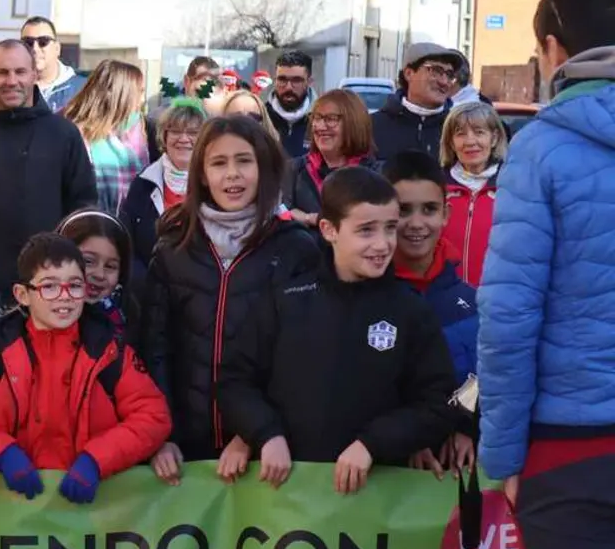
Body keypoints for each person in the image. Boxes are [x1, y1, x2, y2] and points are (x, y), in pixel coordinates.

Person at [478, 0, 615, 549]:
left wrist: (500, 457)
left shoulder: (540, 150)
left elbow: (507, 318)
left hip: (569, 448)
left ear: (554, 51)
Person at [217, 167, 456, 493]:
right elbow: (235, 381)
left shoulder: (409, 310)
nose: (383, 243)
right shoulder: (286, 301)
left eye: (389, 228)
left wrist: (372, 444)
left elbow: (436, 403)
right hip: (286, 495)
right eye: (366, 230)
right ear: (329, 230)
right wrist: (263, 433)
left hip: (377, 497)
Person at [141, 116, 320, 481]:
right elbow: (155, 350)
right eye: (219, 163)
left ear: (264, 167)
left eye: (244, 160)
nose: (232, 174)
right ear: (202, 174)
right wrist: (160, 435)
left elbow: (301, 358)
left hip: (266, 451)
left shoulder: (295, 248)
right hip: (184, 451)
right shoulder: (174, 248)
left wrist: (257, 430)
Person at [0, 233, 170, 503]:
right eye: (49, 287)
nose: (64, 297)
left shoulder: (108, 350)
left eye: (74, 286)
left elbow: (153, 416)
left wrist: (97, 460)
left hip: (89, 510)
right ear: (23, 295)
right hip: (7, 510)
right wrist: (1, 452)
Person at [0, 39, 98, 297]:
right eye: (2, 72)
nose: (11, 81)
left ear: (34, 74)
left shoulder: (63, 134)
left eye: (20, 72)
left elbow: (83, 206)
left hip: (47, 285)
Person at [382, 151, 478, 476]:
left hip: (456, 465)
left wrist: (465, 426)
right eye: (403, 211)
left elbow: (481, 374)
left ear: (446, 214)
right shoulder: (366, 297)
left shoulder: (471, 302)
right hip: (388, 465)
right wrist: (409, 436)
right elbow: (364, 384)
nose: (417, 224)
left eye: (429, 210)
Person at [120, 99, 206, 283]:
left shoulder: (214, 185)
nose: (183, 138)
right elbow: (127, 244)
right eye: (175, 131)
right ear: (164, 137)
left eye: (192, 132)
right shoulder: (143, 183)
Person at [61, 59, 150, 214]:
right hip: (87, 224)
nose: (142, 100)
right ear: (119, 94)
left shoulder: (141, 129)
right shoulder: (73, 133)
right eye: (139, 92)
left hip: (132, 226)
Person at [283, 89, 379, 228]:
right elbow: (279, 214)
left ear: (353, 123)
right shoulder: (293, 170)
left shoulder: (375, 174)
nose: (320, 126)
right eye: (317, 118)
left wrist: (310, 218)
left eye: (331, 119)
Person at [438, 101, 505, 287]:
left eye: (479, 132)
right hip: (444, 299)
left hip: (495, 300)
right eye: (460, 134)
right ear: (451, 142)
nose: (470, 141)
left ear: (494, 138)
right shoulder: (435, 187)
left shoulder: (513, 188)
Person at [371, 43, 463, 161]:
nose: (444, 82)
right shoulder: (372, 127)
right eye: (435, 71)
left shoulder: (458, 128)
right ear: (409, 73)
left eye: (450, 75)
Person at [57, 210, 137, 340]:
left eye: (110, 266)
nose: (99, 275)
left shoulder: (127, 314)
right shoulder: (39, 314)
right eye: (88, 261)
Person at [22, 16, 86, 112]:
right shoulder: (10, 88)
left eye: (43, 41)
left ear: (57, 48)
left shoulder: (82, 90)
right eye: (28, 42)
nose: (35, 48)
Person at [266, 50, 316, 158]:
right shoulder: (262, 117)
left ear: (309, 82)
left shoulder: (321, 119)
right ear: (275, 80)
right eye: (282, 79)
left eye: (296, 80)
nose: (288, 87)